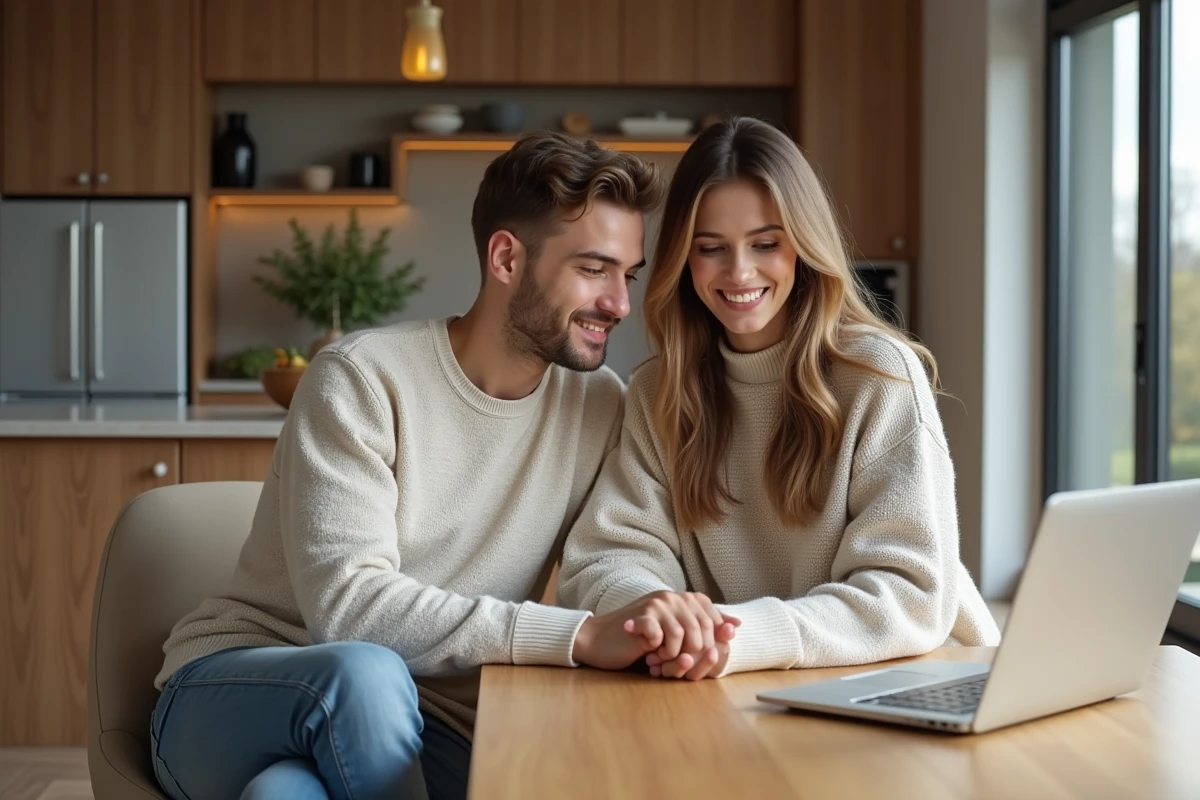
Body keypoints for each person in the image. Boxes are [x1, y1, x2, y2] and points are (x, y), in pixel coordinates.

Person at [148, 131, 739, 800]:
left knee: (283, 795)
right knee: (365, 677)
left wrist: (649, 614)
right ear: (507, 257)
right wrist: (576, 637)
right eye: (593, 269)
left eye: (626, 275)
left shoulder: (600, 405)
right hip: (242, 690)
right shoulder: (362, 377)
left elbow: (607, 555)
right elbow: (349, 609)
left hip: (430, 725)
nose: (619, 304)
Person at [558, 117, 1002, 682]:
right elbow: (605, 557)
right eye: (711, 248)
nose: (739, 271)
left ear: (803, 246)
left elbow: (908, 594)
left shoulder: (879, 376)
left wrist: (738, 636)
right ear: (683, 259)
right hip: (750, 682)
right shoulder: (659, 391)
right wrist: (658, 614)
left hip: (920, 677)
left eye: (766, 244)